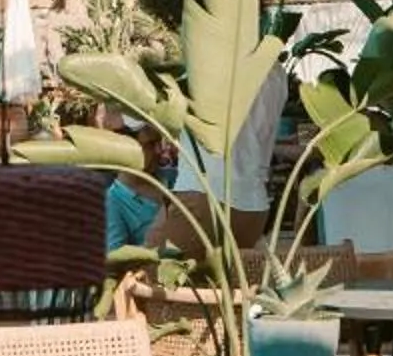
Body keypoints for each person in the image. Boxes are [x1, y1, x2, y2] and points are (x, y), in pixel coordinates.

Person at [173, 62, 289, 246]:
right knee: (229, 274)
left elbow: (132, 120)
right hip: (254, 204)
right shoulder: (274, 69)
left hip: (203, 193)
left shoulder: (199, 58)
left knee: (149, 270)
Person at [104, 123, 175, 252]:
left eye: (160, 142)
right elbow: (115, 261)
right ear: (127, 146)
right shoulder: (113, 203)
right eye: (151, 144)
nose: (159, 150)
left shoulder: (168, 176)